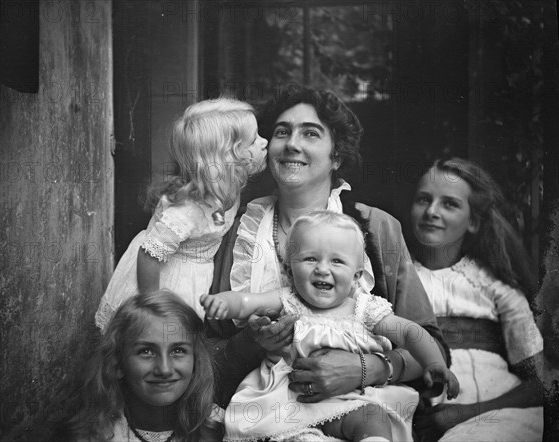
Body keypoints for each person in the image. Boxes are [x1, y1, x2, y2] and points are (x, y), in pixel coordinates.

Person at [209, 85, 449, 429]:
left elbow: (429, 344)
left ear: (336, 156)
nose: (292, 143)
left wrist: (366, 369)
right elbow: (201, 353)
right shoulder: (237, 233)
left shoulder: (376, 228)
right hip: (264, 418)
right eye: (281, 132)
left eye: (310, 133)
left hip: (360, 416)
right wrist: (250, 343)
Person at [202, 211, 458, 442]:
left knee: (373, 419)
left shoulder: (364, 309)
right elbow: (247, 302)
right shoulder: (288, 301)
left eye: (337, 261)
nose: (322, 269)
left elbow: (410, 332)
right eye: (311, 259)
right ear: (290, 271)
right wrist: (224, 303)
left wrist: (434, 363)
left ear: (357, 276)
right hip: (289, 401)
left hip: (351, 400)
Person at [95, 98, 268, 331]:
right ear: (229, 158)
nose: (265, 142)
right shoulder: (188, 210)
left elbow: (216, 220)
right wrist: (153, 306)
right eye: (254, 140)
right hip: (165, 282)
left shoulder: (226, 189)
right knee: (154, 337)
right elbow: (149, 254)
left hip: (194, 276)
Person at [408, 158, 544, 441]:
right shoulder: (394, 278)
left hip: (494, 414)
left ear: (473, 222)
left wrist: (466, 413)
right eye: (424, 199)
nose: (431, 211)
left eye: (449, 204)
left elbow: (541, 382)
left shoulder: (495, 288)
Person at [66, 290, 224, 441]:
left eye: (178, 350)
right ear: (118, 363)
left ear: (196, 360)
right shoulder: (95, 434)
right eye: (147, 352)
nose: (164, 369)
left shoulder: (220, 427)